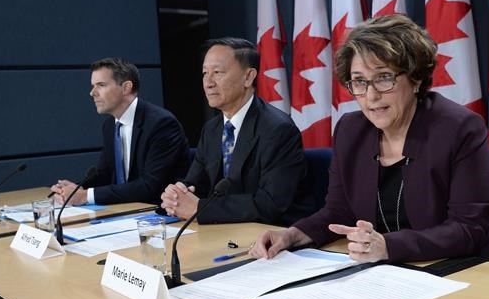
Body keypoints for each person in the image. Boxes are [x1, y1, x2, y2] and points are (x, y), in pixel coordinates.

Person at [250, 15, 489, 263]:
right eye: (359, 81)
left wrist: (388, 247)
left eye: (384, 77)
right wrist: (292, 235)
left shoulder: (459, 128)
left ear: (416, 78)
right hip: (399, 272)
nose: (371, 95)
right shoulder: (350, 130)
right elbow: (339, 211)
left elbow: (469, 229)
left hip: (478, 269)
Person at [160, 37, 313, 226]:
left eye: (217, 72)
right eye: (205, 73)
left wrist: (199, 208)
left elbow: (269, 204)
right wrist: (178, 194)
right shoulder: (212, 129)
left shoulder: (278, 130)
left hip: (271, 232)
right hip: (224, 229)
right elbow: (196, 183)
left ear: (248, 77)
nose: (208, 83)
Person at [50, 57, 189, 205]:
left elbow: (150, 186)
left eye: (101, 85)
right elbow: (105, 175)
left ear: (126, 88)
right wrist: (76, 189)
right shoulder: (110, 125)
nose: (92, 93)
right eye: (93, 86)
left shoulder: (161, 124)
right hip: (126, 209)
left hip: (159, 210)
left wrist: (85, 196)